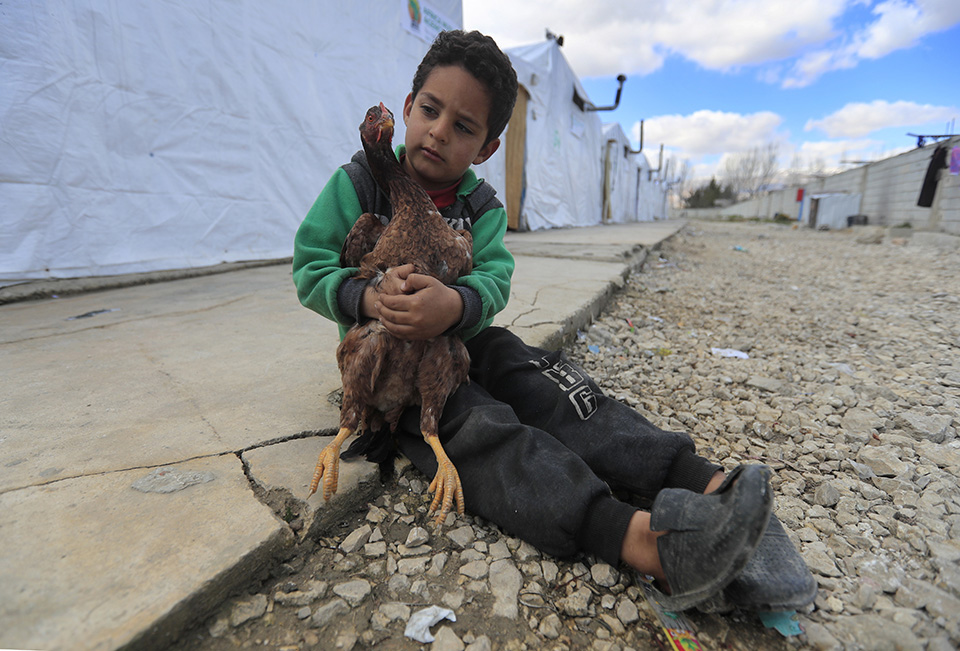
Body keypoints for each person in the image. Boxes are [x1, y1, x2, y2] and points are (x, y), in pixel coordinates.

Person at [292, 29, 814, 612]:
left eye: (464, 126)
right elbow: (309, 267)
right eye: (431, 111)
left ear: (487, 148)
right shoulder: (358, 183)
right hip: (389, 376)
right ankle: (641, 540)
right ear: (409, 106)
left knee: (538, 374)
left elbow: (493, 278)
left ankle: (700, 481)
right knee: (481, 427)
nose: (439, 131)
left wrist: (457, 305)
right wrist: (367, 298)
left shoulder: (481, 206)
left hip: (455, 344)